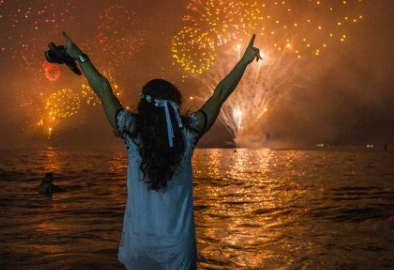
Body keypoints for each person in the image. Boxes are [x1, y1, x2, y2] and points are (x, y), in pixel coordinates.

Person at [56, 31, 260, 269]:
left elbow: (103, 89)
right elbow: (220, 93)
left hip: (138, 247)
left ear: (144, 104)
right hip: (177, 250)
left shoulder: (130, 130)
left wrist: (79, 56)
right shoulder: (189, 132)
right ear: (174, 106)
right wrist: (244, 61)